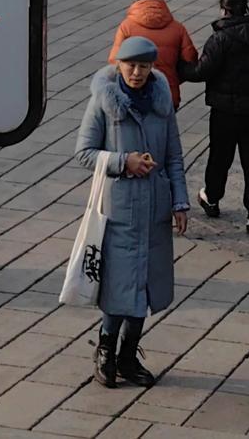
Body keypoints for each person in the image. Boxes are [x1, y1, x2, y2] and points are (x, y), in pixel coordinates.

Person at [76, 35, 188, 390]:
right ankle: (106, 349)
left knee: (146, 285)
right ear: (119, 65)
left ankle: (128, 354)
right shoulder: (103, 102)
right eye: (131, 66)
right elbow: (84, 152)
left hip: (154, 210)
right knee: (119, 286)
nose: (137, 73)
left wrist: (180, 202)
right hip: (119, 210)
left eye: (144, 66)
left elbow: (173, 156)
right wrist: (124, 162)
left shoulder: (161, 102)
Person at [184, 0, 249, 236]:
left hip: (224, 110)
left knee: (220, 157)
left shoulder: (220, 39)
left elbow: (201, 71)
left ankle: (212, 198)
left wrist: (178, 67)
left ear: (224, 10)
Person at [108, 0, 198, 108]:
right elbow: (190, 60)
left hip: (134, 95)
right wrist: (173, 77)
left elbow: (114, 61)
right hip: (167, 93)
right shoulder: (178, 28)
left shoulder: (126, 27)